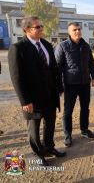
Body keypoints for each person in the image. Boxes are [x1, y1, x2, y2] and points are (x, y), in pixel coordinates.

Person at [8, 16, 66, 166]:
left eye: (41, 26)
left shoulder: (46, 45)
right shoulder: (18, 48)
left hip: (50, 95)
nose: (41, 29)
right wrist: (25, 101)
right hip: (32, 98)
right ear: (27, 29)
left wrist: (59, 87)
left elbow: (54, 68)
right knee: (34, 128)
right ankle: (38, 154)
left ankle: (49, 147)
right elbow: (17, 77)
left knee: (50, 123)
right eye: (37, 27)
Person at [55, 22, 94, 147]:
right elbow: (57, 68)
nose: (77, 32)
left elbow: (91, 62)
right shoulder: (62, 46)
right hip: (70, 84)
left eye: (79, 29)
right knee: (68, 111)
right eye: (74, 30)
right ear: (69, 32)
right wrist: (59, 86)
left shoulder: (85, 46)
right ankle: (67, 134)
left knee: (85, 108)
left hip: (85, 83)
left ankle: (84, 130)